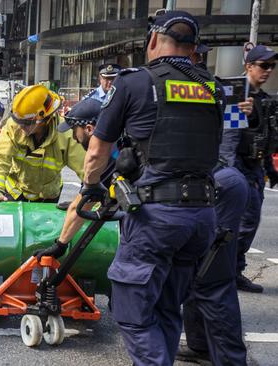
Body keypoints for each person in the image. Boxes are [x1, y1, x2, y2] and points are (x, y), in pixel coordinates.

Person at [79, 10, 224, 364]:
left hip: (156, 216)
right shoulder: (213, 88)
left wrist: (92, 187)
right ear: (193, 48)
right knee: (167, 307)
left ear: (154, 40)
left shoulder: (134, 83)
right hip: (202, 215)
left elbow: (97, 150)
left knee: (132, 312)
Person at [175, 44, 255, 366]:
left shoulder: (201, 87)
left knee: (211, 277)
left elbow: (233, 142)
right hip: (217, 180)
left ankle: (230, 358)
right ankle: (199, 344)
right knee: (197, 270)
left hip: (216, 182)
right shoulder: (214, 87)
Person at [219, 45, 277, 293]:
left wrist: (270, 172)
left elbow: (264, 136)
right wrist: (232, 177)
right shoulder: (236, 96)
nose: (269, 70)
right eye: (263, 65)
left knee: (249, 223)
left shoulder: (263, 99)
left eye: (272, 66)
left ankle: (233, 271)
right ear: (248, 66)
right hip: (239, 169)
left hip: (255, 169)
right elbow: (229, 140)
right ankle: (225, 272)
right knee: (239, 224)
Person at [34, 97, 116, 259]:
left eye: (74, 131)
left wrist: (60, 245)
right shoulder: (117, 142)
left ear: (89, 129)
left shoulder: (104, 156)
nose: (74, 138)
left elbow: (81, 207)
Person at [0, 84, 85, 204]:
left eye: (27, 123)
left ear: (45, 119)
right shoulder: (13, 126)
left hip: (48, 195)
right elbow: (0, 159)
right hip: (15, 192)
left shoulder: (66, 135)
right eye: (18, 121)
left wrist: (92, 196)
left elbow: (85, 169)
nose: (21, 126)